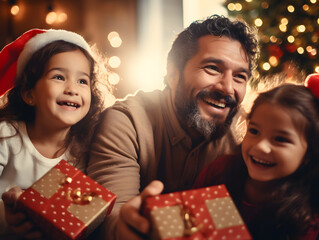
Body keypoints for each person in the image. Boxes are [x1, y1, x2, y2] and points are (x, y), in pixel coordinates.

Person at [86, 14, 259, 239]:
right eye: (213, 68)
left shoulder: (250, 134)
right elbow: (112, 217)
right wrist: (126, 226)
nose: (228, 88)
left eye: (239, 76)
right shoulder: (126, 121)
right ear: (173, 73)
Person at [0, 29, 107, 238]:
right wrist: (6, 218)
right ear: (29, 94)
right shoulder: (6, 135)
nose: (72, 89)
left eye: (82, 81)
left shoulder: (85, 148)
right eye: (59, 77)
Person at [194, 74, 319, 239]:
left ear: (309, 153)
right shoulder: (220, 172)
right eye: (254, 131)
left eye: (280, 139)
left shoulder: (305, 217)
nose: (260, 145)